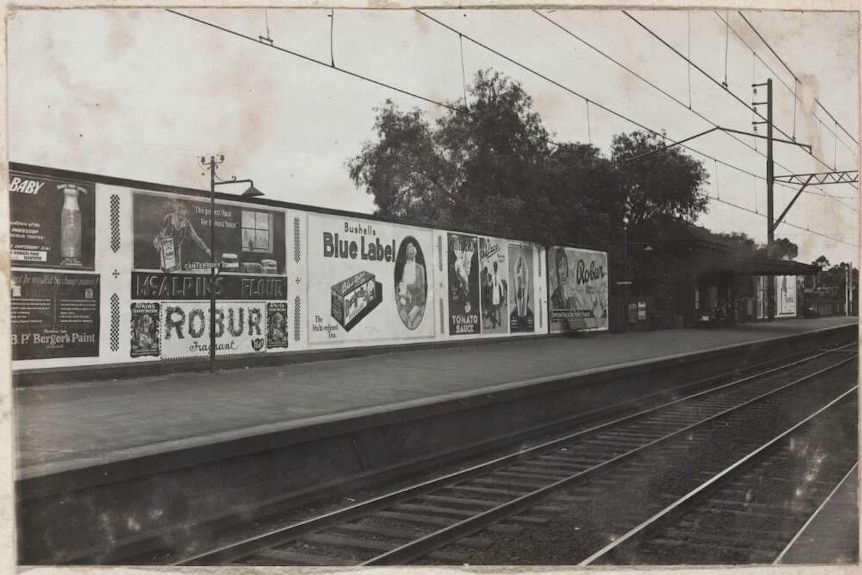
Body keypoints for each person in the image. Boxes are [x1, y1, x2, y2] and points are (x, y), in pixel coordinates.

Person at [153, 198, 211, 272]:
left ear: (187, 211)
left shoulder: (187, 223)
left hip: (177, 250)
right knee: (166, 272)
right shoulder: (169, 218)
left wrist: (208, 250)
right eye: (179, 209)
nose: (181, 212)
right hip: (165, 247)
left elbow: (197, 239)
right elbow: (162, 235)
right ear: (175, 209)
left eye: (183, 209)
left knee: (177, 273)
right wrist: (159, 245)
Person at [397, 241, 427, 329]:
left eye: (411, 254)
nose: (409, 256)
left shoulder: (419, 268)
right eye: (407, 254)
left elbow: (418, 287)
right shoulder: (406, 267)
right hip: (406, 301)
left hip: (417, 302)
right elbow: (402, 282)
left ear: (414, 254)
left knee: (410, 320)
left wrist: (406, 287)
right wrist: (402, 286)